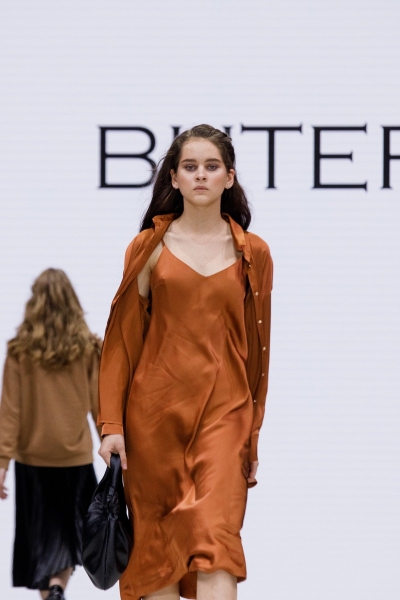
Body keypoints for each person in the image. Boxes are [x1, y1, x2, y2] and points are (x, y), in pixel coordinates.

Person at [98, 124, 273, 600]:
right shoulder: (147, 247)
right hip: (154, 419)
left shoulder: (253, 253)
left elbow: (260, 350)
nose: (200, 175)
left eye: (211, 166)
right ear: (173, 178)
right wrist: (111, 425)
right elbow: (121, 343)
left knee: (218, 544)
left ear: (229, 177)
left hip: (226, 415)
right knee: (158, 558)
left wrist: (252, 434)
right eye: (190, 166)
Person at [0, 268, 102, 600]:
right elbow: (99, 405)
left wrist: (2, 463)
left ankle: (52, 593)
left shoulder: (19, 351)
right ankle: (58, 587)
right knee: (70, 536)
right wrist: (110, 446)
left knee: (42, 539)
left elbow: (10, 412)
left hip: (33, 462)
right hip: (75, 458)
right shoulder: (88, 349)